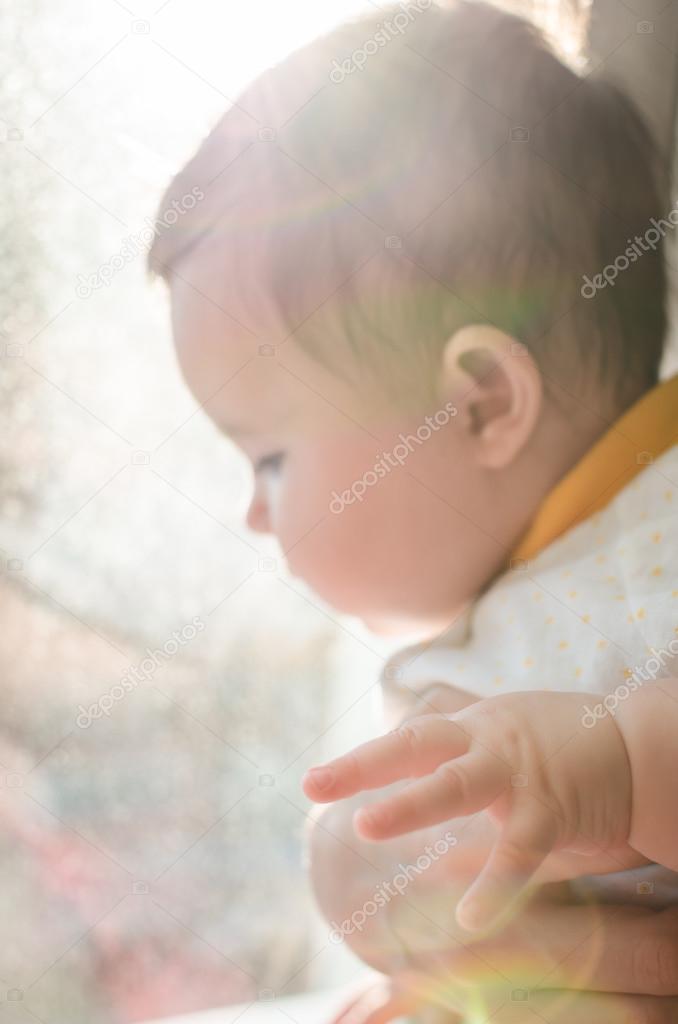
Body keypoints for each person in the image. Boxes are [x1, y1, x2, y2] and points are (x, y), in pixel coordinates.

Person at [146, 1, 678, 1018]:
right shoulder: (499, 628)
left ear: (482, 403)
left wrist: (618, 763)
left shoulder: (655, 535)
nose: (257, 518)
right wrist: (405, 935)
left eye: (270, 458)